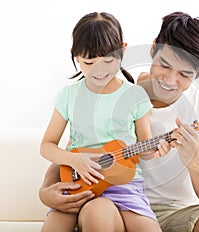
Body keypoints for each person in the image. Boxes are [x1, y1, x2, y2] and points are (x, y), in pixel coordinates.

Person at [39, 11, 199, 232]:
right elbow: (77, 148)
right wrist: (45, 191)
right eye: (164, 65)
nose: (170, 80)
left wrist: (194, 161)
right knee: (99, 211)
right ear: (153, 48)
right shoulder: (115, 92)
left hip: (175, 211)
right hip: (112, 206)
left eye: (185, 74)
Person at [39, 11, 168, 232]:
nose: (99, 70)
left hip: (124, 185)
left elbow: (144, 148)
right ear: (75, 56)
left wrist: (158, 147)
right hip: (76, 183)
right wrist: (75, 159)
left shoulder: (135, 96)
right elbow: (46, 146)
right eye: (89, 62)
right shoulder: (69, 95)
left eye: (108, 60)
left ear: (123, 50)